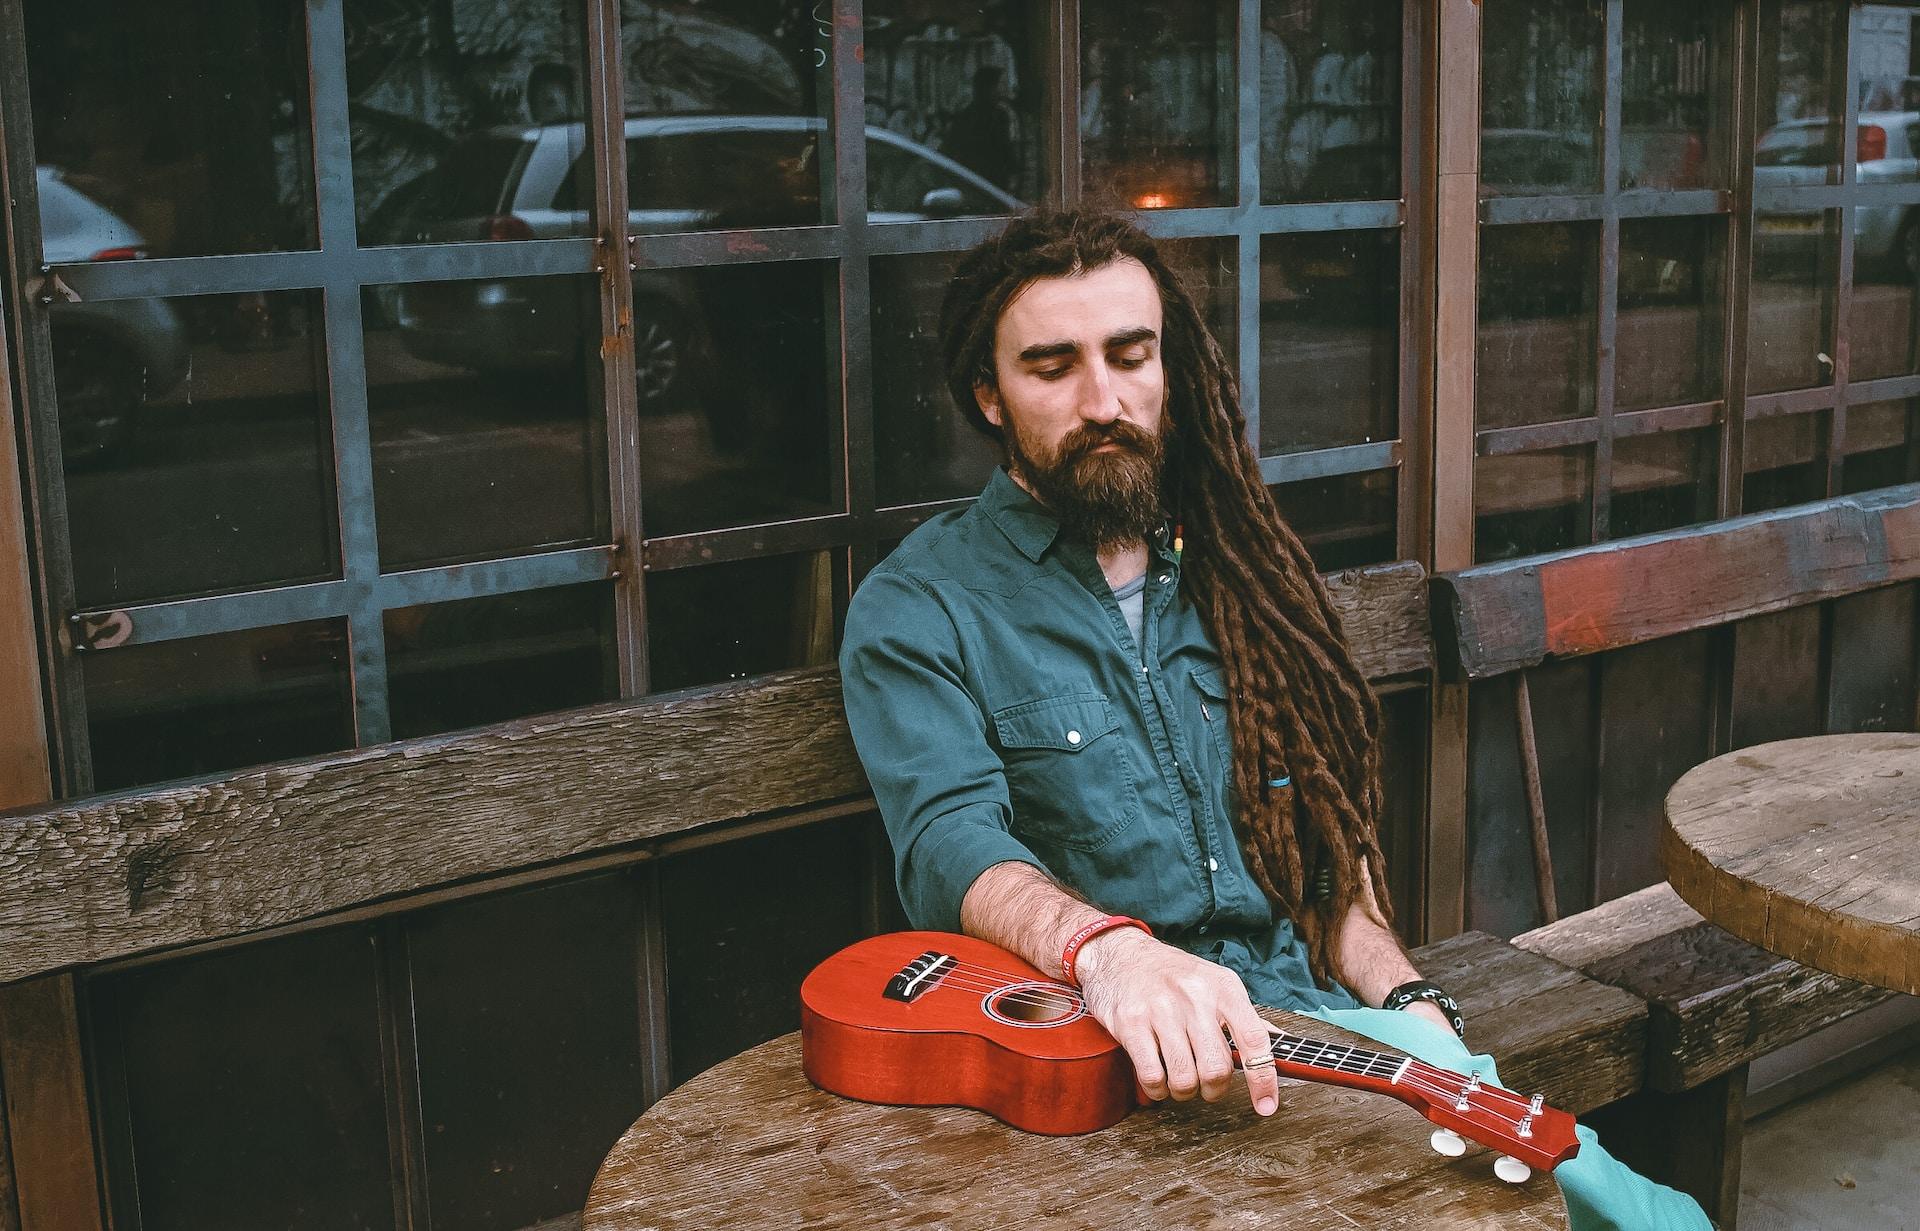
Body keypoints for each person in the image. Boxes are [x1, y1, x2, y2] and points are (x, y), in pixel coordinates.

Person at [839, 209, 1710, 1230]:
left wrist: (1404, 1006)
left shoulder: (1239, 571)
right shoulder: (920, 606)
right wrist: (1113, 954)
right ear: (988, 396)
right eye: (1052, 367)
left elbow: (1324, 858)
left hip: (1317, 1030)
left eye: (1130, 354)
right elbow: (950, 838)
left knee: (1615, 1202)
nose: (1105, 399)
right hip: (1111, 1065)